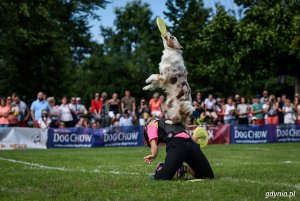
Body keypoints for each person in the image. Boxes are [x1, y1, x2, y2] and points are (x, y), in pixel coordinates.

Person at [143, 118, 214, 180]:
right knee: (207, 176)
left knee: (163, 177)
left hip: (177, 144)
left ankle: (180, 168)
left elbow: (153, 145)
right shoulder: (170, 121)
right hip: (190, 144)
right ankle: (176, 168)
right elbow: (183, 135)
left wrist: (154, 154)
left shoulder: (150, 125)